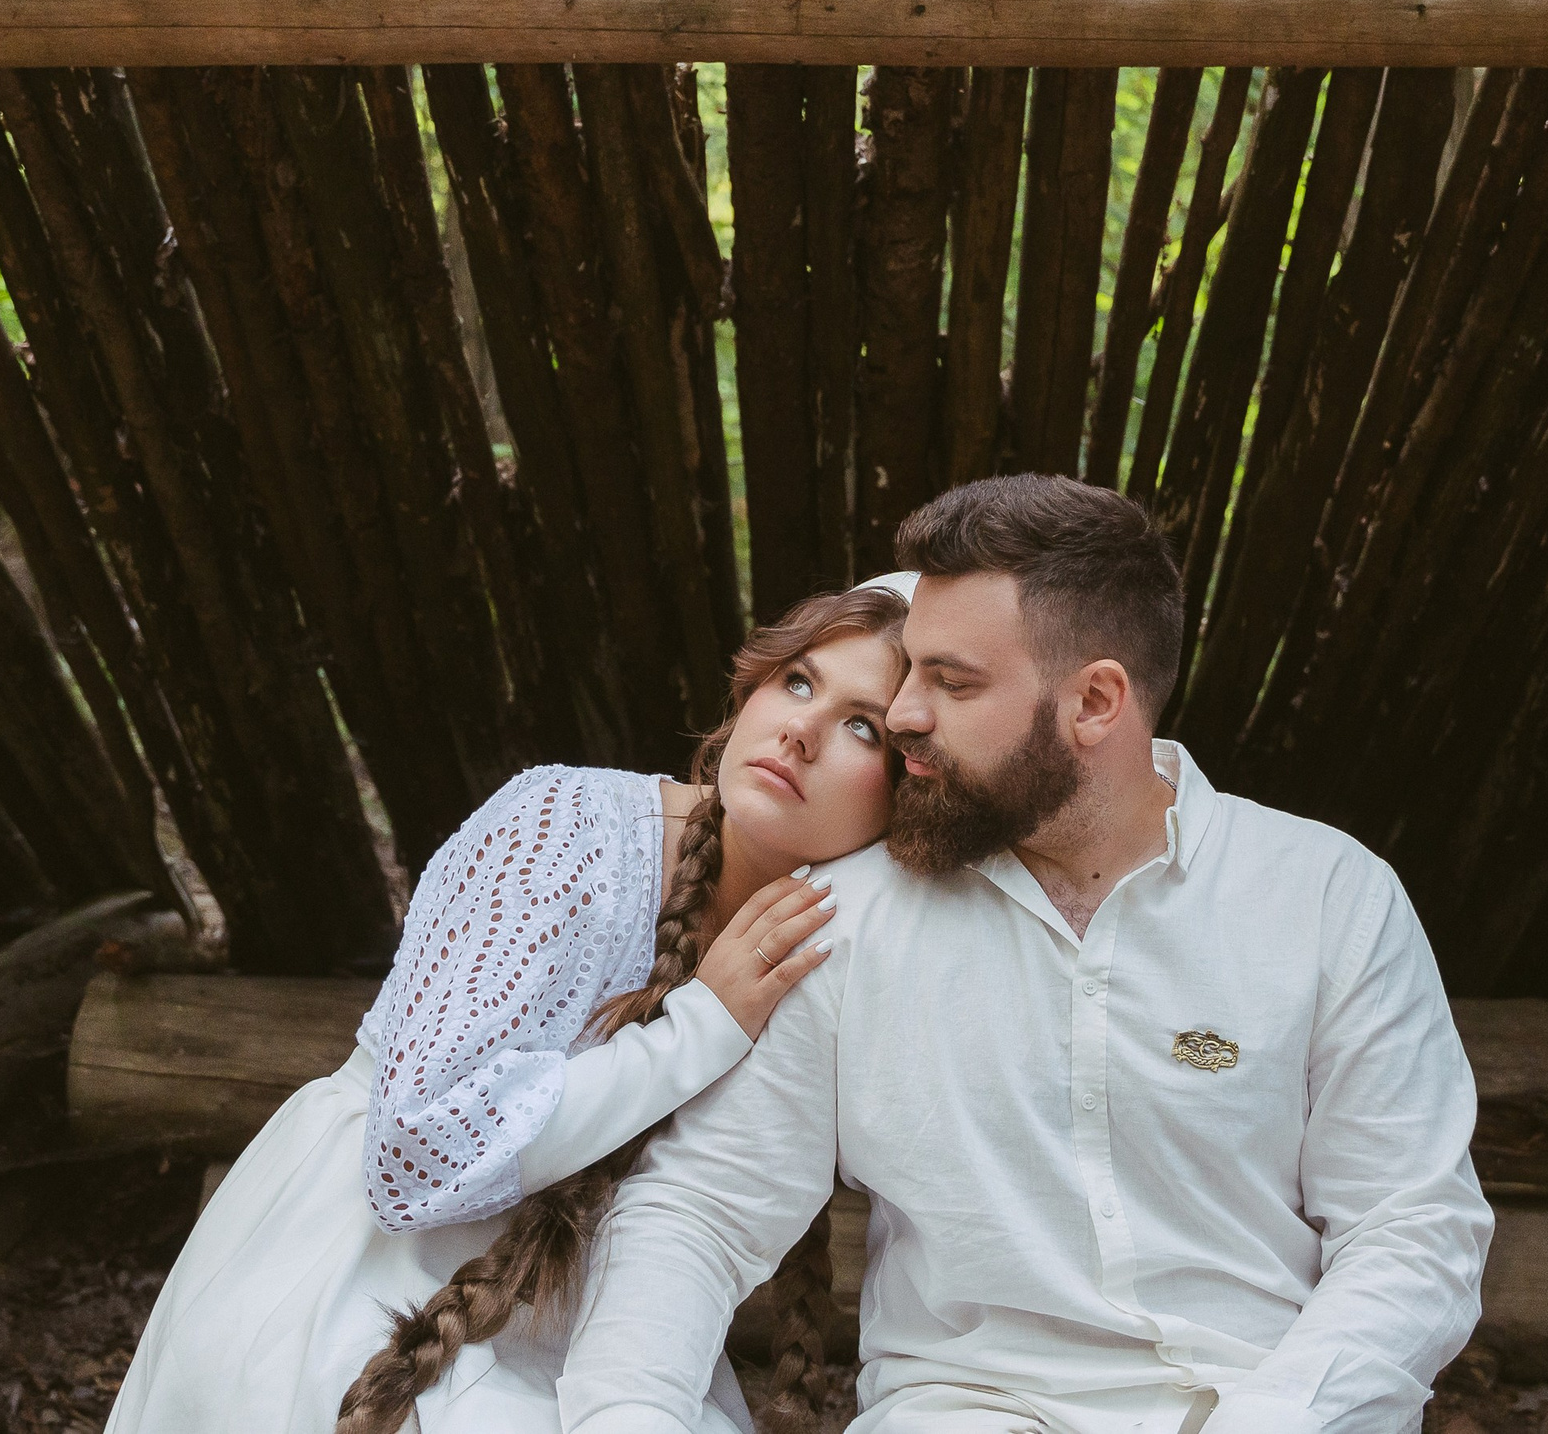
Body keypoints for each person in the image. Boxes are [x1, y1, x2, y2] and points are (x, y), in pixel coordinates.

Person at [557, 475, 1492, 1434]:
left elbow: (1412, 1228)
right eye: (911, 670)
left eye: (952, 682)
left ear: (1095, 701)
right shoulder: (847, 918)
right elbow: (700, 1209)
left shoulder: (1329, 896)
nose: (904, 712)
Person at [103, 580, 915, 1434]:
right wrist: (698, 1027)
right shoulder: (564, 828)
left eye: (862, 725)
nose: (802, 729)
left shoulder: (839, 939)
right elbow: (410, 1158)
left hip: (597, 1312)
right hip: (367, 1265)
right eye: (796, 681)